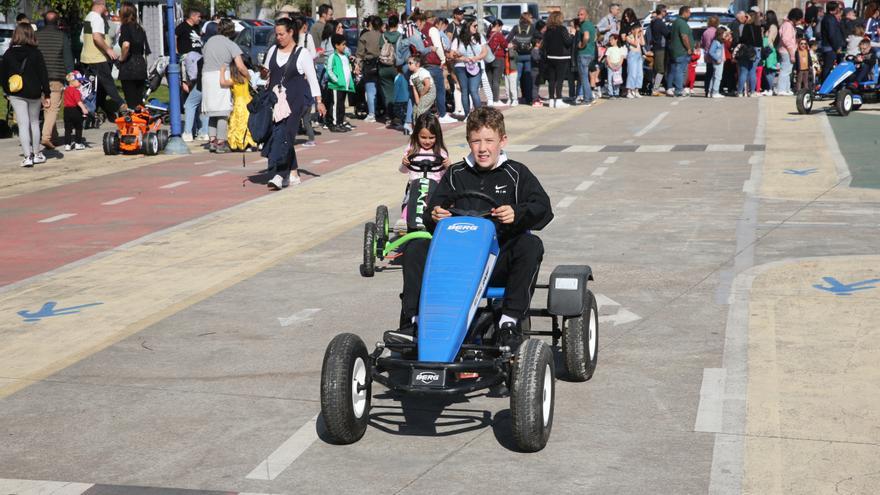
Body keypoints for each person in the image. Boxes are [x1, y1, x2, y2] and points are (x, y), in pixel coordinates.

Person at [386, 106, 554, 346]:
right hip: (455, 261)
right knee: (415, 247)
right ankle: (413, 323)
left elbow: (543, 209)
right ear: (468, 142)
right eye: (476, 141)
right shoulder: (456, 173)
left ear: (502, 141)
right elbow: (430, 212)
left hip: (496, 262)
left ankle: (509, 321)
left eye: (489, 141)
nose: (483, 148)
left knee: (530, 244)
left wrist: (517, 212)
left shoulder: (517, 174)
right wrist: (435, 215)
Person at [261, 17, 325, 190]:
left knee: (285, 135)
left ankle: (279, 175)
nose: (279, 37)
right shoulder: (273, 50)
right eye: (277, 34)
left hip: (295, 103)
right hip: (275, 102)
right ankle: (294, 171)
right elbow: (266, 74)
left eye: (282, 34)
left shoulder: (302, 53)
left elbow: (312, 79)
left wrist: (319, 101)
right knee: (281, 136)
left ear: (291, 32)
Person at [1, 24, 50, 167]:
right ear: (31, 35)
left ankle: (27, 156)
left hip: (16, 92)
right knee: (34, 122)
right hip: (34, 92)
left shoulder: (8, 53)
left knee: (22, 124)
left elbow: (3, 76)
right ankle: (36, 154)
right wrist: (46, 94)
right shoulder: (36, 53)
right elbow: (43, 75)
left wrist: (7, 91)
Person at [396, 112, 451, 232]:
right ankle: (405, 220)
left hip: (435, 187)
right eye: (423, 137)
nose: (427, 141)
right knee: (411, 197)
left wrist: (448, 166)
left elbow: (448, 175)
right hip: (415, 184)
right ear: (417, 135)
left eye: (431, 137)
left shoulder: (440, 152)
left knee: (439, 200)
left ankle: (434, 222)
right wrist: (404, 163)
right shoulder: (412, 150)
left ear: (437, 136)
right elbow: (402, 170)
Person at [202, 19, 249, 153]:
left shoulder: (209, 42)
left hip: (207, 76)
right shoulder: (230, 44)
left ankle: (212, 141)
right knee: (222, 112)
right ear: (232, 31)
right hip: (221, 75)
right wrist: (248, 76)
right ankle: (221, 143)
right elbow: (240, 66)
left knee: (212, 112)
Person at [80, 0, 127, 118]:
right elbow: (96, 37)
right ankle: (122, 104)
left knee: (91, 87)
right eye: (105, 5)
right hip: (97, 57)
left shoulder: (88, 17)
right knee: (108, 83)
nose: (105, 8)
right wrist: (108, 49)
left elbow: (84, 38)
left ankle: (90, 111)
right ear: (101, 5)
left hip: (87, 57)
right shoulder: (97, 19)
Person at [35, 10, 73, 150]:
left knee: (47, 107)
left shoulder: (36, 35)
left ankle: (54, 137)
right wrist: (70, 76)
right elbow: (68, 59)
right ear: (58, 22)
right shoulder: (62, 36)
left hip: (38, 78)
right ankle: (46, 137)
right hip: (56, 77)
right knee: (52, 109)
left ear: (44, 21)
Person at [450, 19, 488, 116]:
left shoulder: (479, 37)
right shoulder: (458, 39)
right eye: (474, 26)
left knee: (473, 90)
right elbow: (451, 55)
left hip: (475, 66)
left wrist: (477, 58)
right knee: (464, 91)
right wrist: (462, 57)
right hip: (461, 67)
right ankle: (467, 115)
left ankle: (479, 115)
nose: (476, 28)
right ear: (468, 27)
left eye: (476, 26)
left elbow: (485, 52)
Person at [117, 2, 151, 108]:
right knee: (139, 101)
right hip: (140, 65)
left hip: (129, 66)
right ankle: (142, 122)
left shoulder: (125, 27)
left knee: (131, 101)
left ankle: (134, 123)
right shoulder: (140, 28)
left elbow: (126, 45)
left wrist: (121, 59)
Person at [220, 61, 257, 151]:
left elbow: (222, 83)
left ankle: (238, 143)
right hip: (248, 101)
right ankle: (250, 143)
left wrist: (222, 71)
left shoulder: (233, 80)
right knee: (248, 123)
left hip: (239, 104)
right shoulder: (246, 78)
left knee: (236, 123)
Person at [541, 12, 572, 108]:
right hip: (562, 57)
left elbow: (544, 45)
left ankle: (551, 100)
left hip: (550, 57)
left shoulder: (548, 30)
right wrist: (572, 35)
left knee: (552, 80)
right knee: (560, 79)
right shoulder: (562, 29)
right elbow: (568, 42)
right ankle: (558, 100)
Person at [327, 33, 356, 132]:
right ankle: (335, 124)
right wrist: (336, 80)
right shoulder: (333, 56)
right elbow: (329, 70)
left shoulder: (345, 56)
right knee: (336, 105)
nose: (345, 47)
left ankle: (340, 122)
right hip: (336, 86)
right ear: (336, 45)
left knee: (342, 105)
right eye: (343, 44)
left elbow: (347, 69)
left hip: (344, 86)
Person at [356, 16, 382, 122]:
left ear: (370, 24)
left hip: (369, 64)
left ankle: (372, 113)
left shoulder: (364, 36)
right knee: (381, 90)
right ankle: (384, 111)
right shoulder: (382, 36)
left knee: (370, 90)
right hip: (382, 64)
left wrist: (358, 66)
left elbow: (360, 54)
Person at [508, 13, 536, 104]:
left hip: (518, 55)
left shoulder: (516, 27)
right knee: (528, 77)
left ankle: (515, 99)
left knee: (517, 77)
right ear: (528, 18)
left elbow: (508, 39)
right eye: (531, 17)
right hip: (528, 55)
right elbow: (537, 39)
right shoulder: (532, 28)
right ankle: (528, 99)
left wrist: (514, 44)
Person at [379, 16, 402, 121]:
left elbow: (380, 49)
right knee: (398, 92)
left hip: (383, 67)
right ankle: (397, 116)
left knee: (388, 93)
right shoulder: (400, 36)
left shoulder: (383, 36)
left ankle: (389, 115)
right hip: (396, 67)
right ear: (397, 24)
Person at [668, 6, 693, 97]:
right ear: (684, 13)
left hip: (677, 51)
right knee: (680, 70)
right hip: (681, 51)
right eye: (689, 12)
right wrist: (689, 48)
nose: (690, 15)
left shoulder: (676, 22)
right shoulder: (682, 23)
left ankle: (678, 88)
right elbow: (684, 36)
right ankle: (679, 89)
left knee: (679, 70)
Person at [736, 12, 762, 97]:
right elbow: (760, 40)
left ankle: (740, 92)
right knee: (752, 71)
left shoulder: (747, 26)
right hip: (757, 50)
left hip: (748, 49)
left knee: (744, 71)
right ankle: (752, 92)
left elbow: (743, 38)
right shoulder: (758, 27)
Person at [62, 71, 89, 151]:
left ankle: (67, 145)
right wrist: (84, 109)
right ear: (72, 81)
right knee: (78, 127)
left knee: (68, 129)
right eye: (79, 81)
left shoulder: (66, 89)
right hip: (75, 110)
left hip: (66, 111)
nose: (81, 83)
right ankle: (78, 143)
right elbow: (78, 101)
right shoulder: (76, 91)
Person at [777, 8, 801, 96]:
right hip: (786, 51)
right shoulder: (788, 25)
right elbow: (786, 40)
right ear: (794, 18)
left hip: (786, 50)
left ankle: (786, 88)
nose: (799, 21)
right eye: (798, 19)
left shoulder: (788, 25)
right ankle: (781, 89)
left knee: (788, 71)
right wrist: (792, 54)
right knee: (785, 71)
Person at [820, 1, 845, 84]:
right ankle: (825, 85)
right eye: (838, 8)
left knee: (828, 67)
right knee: (828, 67)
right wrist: (837, 47)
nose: (839, 9)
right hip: (830, 47)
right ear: (834, 9)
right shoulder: (830, 19)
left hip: (830, 46)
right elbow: (832, 35)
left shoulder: (829, 18)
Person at [486, 19, 508, 106]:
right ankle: (496, 100)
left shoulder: (487, 34)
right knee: (496, 81)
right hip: (498, 58)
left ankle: (490, 99)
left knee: (489, 81)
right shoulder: (498, 35)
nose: (501, 29)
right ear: (498, 26)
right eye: (500, 27)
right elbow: (505, 44)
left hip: (488, 60)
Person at [650, 5, 669, 95]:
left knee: (656, 69)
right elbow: (668, 34)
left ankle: (654, 88)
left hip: (655, 48)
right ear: (661, 11)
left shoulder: (653, 22)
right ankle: (655, 89)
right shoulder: (660, 23)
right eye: (665, 11)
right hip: (660, 48)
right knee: (660, 70)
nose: (666, 13)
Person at [701, 16, 720, 97]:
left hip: (707, 55)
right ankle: (713, 90)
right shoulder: (717, 32)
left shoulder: (705, 32)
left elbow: (702, 44)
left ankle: (706, 90)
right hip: (715, 55)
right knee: (715, 74)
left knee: (708, 73)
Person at [625, 24, 644, 98]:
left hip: (639, 55)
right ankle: (629, 91)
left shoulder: (639, 36)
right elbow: (635, 44)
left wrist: (641, 33)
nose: (638, 31)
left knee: (640, 74)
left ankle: (636, 90)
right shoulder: (628, 37)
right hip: (632, 55)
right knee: (632, 73)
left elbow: (643, 43)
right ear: (632, 30)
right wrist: (635, 34)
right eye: (636, 29)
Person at [604, 33, 626, 97]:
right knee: (610, 80)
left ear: (616, 40)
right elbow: (607, 58)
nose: (610, 41)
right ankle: (610, 93)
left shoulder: (620, 48)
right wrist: (611, 66)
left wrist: (619, 65)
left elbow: (622, 57)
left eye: (612, 40)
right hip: (611, 66)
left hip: (618, 66)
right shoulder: (609, 49)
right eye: (610, 40)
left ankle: (616, 93)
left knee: (617, 80)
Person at [707, 29, 727, 98]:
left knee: (714, 77)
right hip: (718, 62)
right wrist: (717, 58)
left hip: (720, 61)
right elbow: (711, 52)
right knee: (718, 77)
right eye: (724, 34)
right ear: (720, 34)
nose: (725, 35)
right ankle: (715, 92)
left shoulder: (720, 42)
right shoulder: (716, 42)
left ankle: (710, 92)